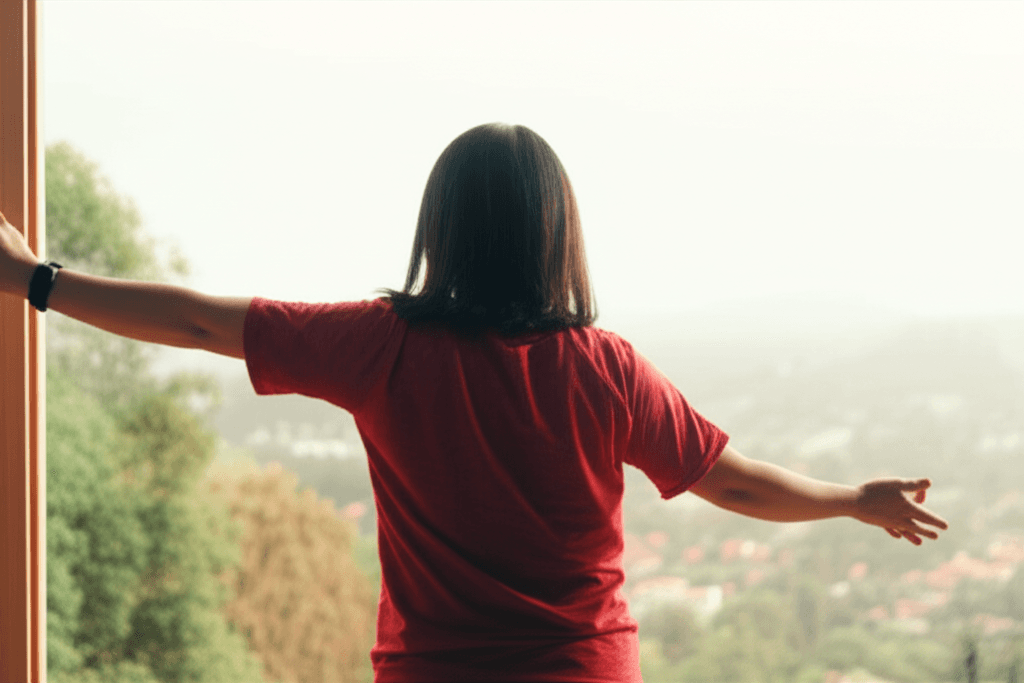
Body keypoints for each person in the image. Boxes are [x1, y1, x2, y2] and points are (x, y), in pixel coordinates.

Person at [0, 122, 948, 682]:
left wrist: (36, 279)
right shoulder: (605, 368)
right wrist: (853, 501)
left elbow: (202, 323)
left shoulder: (380, 345)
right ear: (557, 234)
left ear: (440, 229)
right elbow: (733, 485)